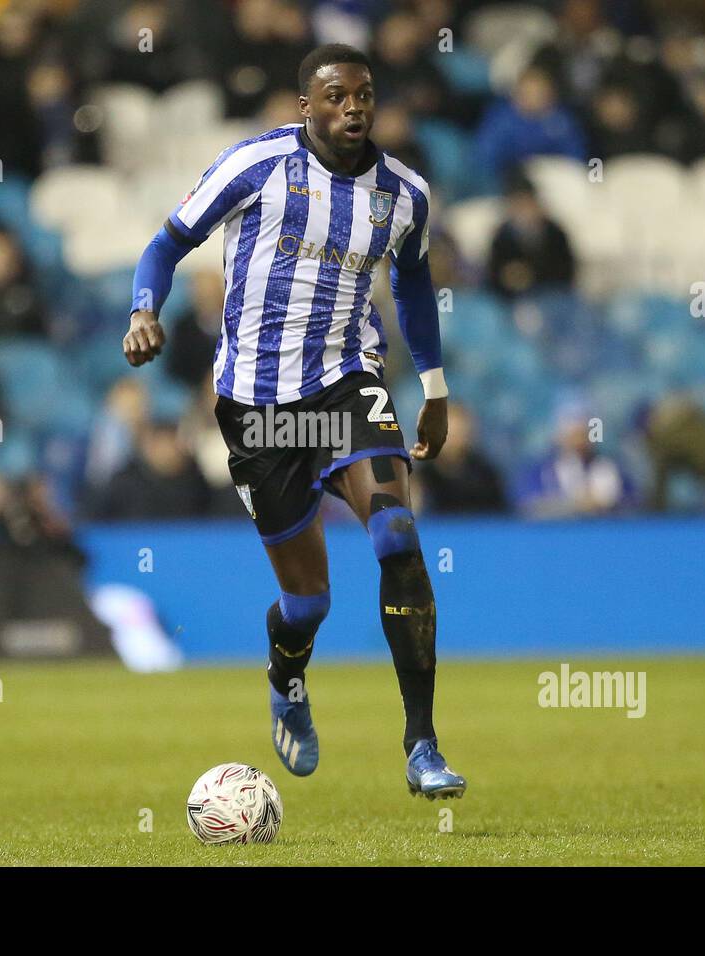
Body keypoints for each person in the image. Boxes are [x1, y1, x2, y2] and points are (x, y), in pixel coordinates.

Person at [122, 44, 466, 798]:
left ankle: (422, 745)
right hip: (257, 409)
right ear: (304, 106)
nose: (353, 109)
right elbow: (166, 243)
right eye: (336, 96)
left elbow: (411, 284)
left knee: (397, 537)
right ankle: (287, 673)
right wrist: (144, 311)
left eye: (364, 95)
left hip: (348, 387)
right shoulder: (255, 165)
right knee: (308, 599)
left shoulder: (403, 194)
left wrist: (434, 388)